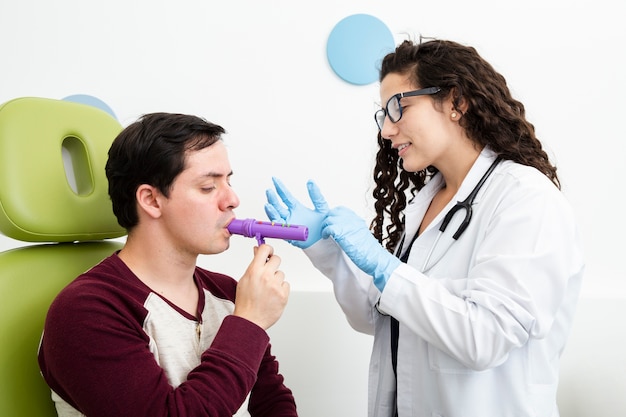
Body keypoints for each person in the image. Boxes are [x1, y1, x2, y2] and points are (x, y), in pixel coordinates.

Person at [265, 38, 584, 417]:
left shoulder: (525, 199)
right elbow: (378, 318)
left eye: (398, 107)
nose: (386, 129)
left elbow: (485, 338)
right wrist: (330, 252)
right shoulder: (427, 203)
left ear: (455, 102)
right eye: (383, 114)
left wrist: (387, 269)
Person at [38, 113, 298, 417]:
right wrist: (248, 324)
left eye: (228, 181)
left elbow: (272, 403)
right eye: (208, 187)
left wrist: (247, 320)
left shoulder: (229, 293)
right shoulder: (86, 311)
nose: (232, 200)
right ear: (151, 200)